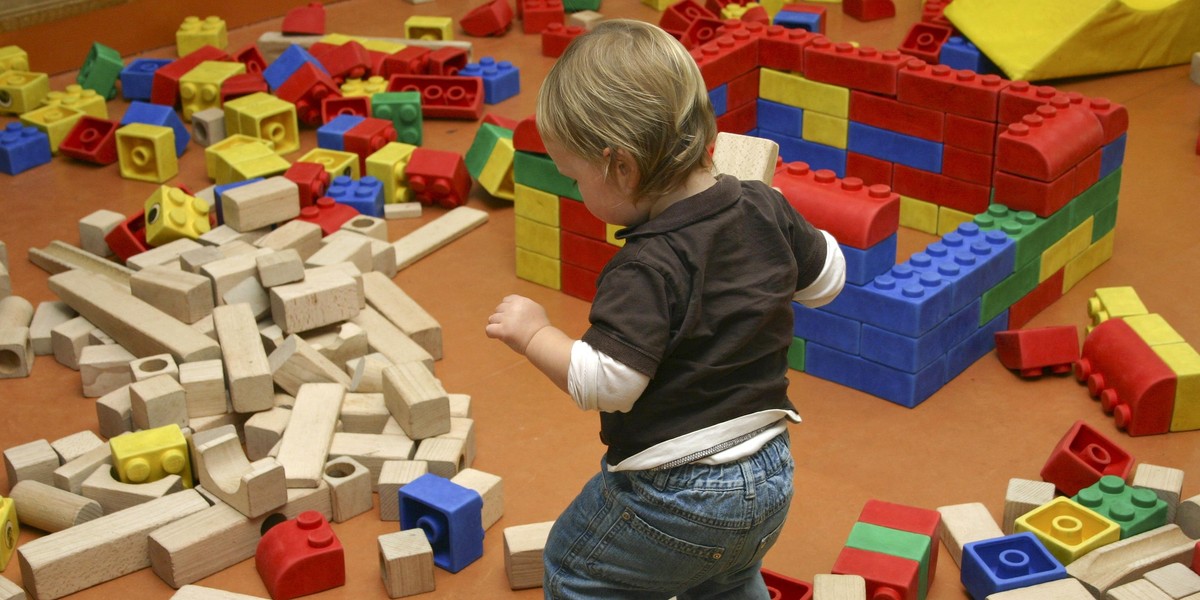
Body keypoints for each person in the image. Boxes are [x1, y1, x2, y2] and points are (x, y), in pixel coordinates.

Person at [485, 19, 846, 599]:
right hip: (772, 473)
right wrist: (783, 219)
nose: (578, 194)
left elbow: (609, 382)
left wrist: (534, 334)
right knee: (725, 579)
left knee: (576, 570)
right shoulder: (761, 206)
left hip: (680, 493)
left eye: (577, 177)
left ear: (621, 166)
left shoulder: (645, 266)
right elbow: (828, 279)